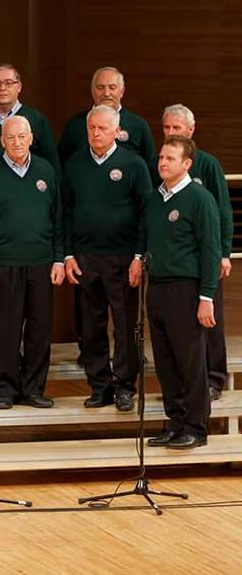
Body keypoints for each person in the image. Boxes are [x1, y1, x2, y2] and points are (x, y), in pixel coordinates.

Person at [62, 105, 152, 412]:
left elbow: (145, 214)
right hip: (86, 258)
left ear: (117, 131)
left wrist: (139, 256)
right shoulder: (74, 165)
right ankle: (99, 385)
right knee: (91, 327)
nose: (96, 133)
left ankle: (125, 386)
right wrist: (68, 254)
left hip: (124, 259)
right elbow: (66, 212)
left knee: (125, 326)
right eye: (92, 128)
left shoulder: (134, 164)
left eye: (102, 128)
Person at [0, 116, 64, 409]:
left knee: (39, 330)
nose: (16, 142)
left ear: (31, 138)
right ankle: (5, 390)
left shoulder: (46, 170)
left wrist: (58, 259)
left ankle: (34, 389)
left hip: (40, 262)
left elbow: (58, 218)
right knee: (5, 330)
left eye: (22, 136)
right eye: (10, 137)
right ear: (2, 140)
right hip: (3, 264)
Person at [146, 136, 219, 450]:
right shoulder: (155, 198)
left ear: (186, 164)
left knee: (190, 361)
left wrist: (206, 297)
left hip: (186, 290)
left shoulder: (199, 199)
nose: (162, 162)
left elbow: (210, 251)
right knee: (165, 361)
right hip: (158, 288)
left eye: (170, 158)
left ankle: (195, 427)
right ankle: (175, 423)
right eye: (161, 157)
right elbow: (145, 236)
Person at [161, 104, 233, 401]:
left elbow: (224, 212)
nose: (171, 133)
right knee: (181, 327)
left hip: (207, 257)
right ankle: (185, 384)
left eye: (177, 128)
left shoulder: (208, 164)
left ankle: (214, 378)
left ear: (191, 130)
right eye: (166, 128)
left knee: (209, 318)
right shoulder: (165, 165)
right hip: (178, 264)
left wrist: (224, 252)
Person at [58, 66, 156, 170]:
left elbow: (150, 167)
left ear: (122, 91)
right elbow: (61, 164)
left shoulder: (138, 125)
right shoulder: (75, 124)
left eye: (112, 87)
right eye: (100, 87)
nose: (106, 93)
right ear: (92, 90)